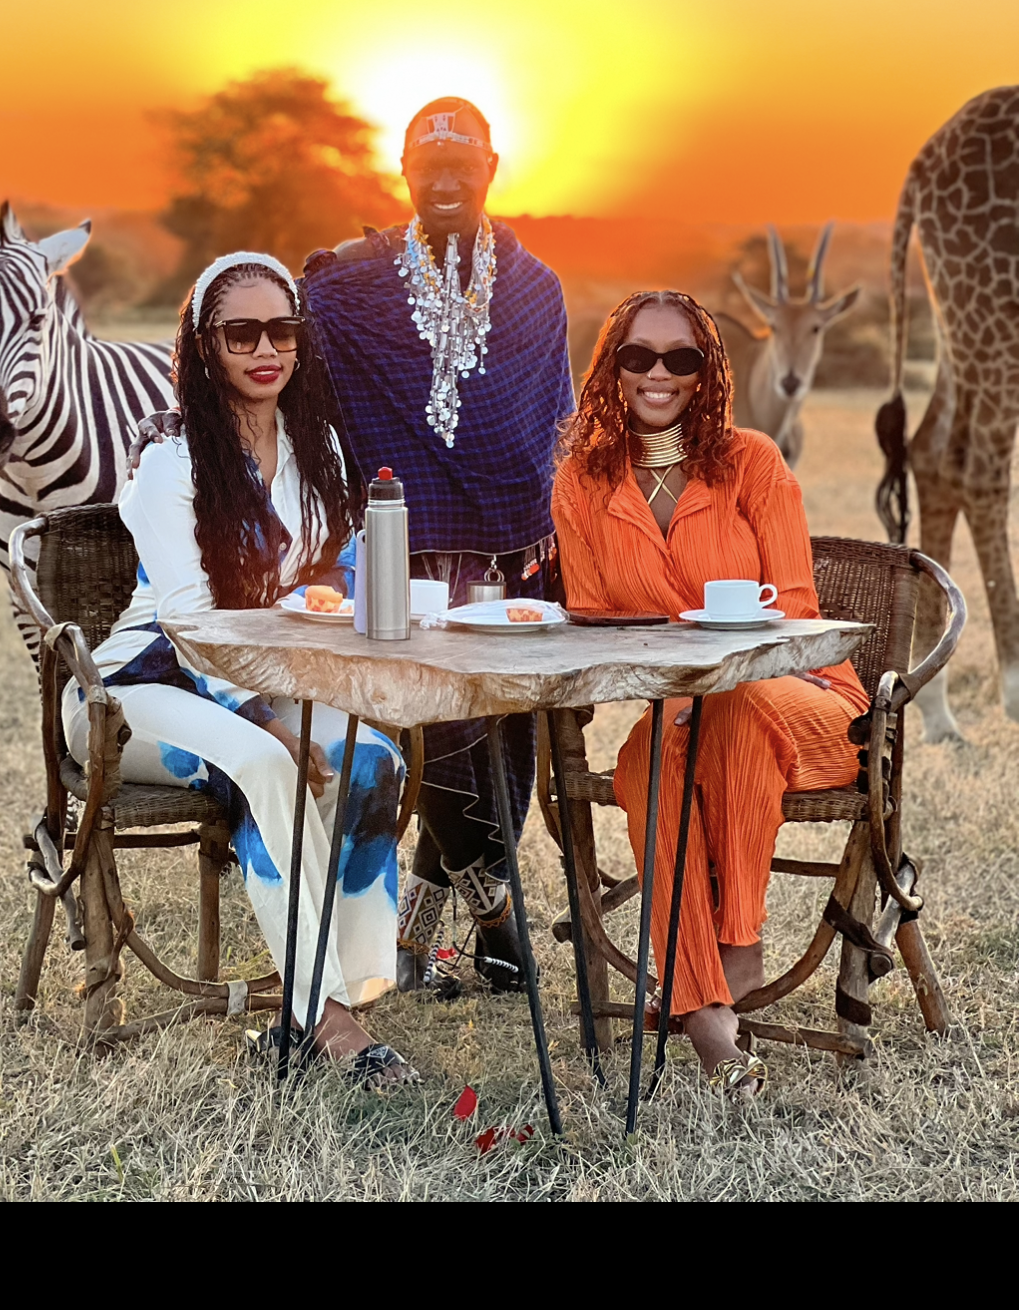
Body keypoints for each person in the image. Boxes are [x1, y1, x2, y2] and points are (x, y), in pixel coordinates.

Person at [64, 250, 411, 1084]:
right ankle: (324, 1023)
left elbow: (340, 572)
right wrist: (266, 717)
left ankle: (340, 993)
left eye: (282, 328)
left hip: (263, 681)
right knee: (266, 762)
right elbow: (185, 618)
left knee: (373, 761)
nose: (266, 348)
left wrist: (360, 607)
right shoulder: (170, 460)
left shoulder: (315, 443)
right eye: (241, 331)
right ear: (204, 344)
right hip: (135, 692)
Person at [552, 287, 867, 1098]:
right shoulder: (582, 484)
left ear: (705, 372)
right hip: (682, 715)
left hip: (806, 702)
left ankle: (736, 938)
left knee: (700, 723)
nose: (658, 373)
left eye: (679, 358)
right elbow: (594, 618)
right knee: (644, 764)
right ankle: (707, 1018)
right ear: (611, 369)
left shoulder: (752, 462)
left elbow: (794, 613)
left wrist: (709, 676)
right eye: (637, 356)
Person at [304, 97, 573, 992]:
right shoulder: (350, 291)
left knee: (497, 752)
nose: (447, 180)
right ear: (405, 175)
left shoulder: (536, 289)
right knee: (441, 743)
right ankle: (500, 923)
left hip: (509, 564)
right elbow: (287, 354)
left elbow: (547, 424)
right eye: (429, 169)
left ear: (492, 169)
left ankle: (413, 945)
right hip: (397, 565)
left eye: (464, 166)